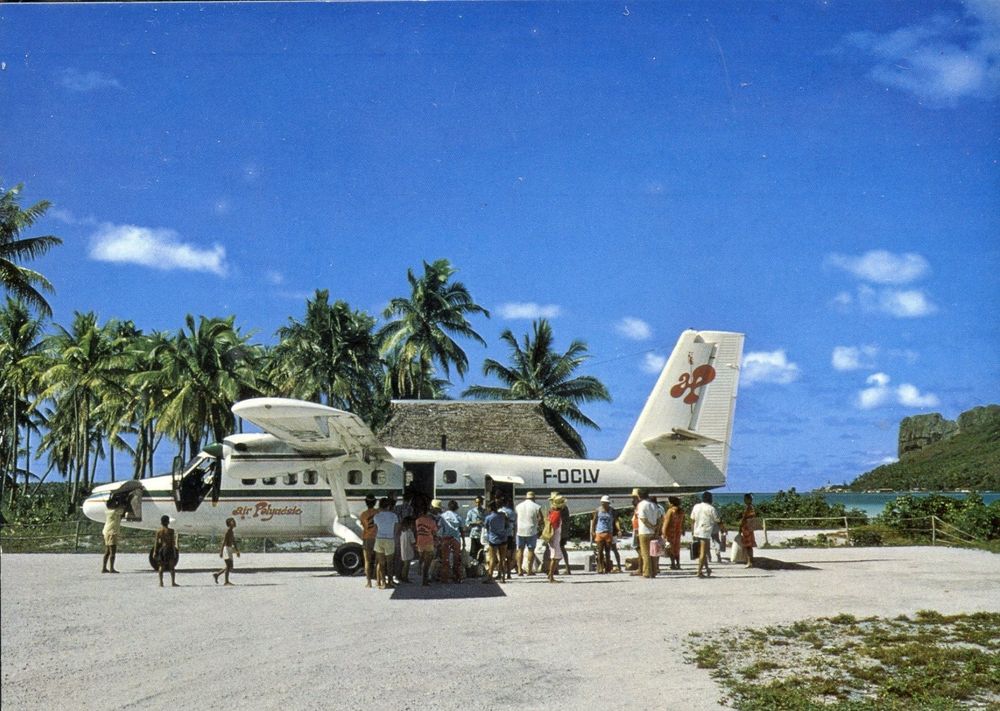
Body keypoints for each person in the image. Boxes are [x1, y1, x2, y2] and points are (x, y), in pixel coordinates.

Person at [690, 491, 720, 578]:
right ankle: (699, 571)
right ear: (710, 499)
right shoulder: (711, 508)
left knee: (702, 552)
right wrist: (723, 529)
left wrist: (693, 531)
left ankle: (707, 568)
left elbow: (692, 520)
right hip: (705, 532)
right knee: (703, 552)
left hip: (696, 531)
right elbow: (717, 520)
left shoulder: (696, 506)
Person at [373, 497, 399, 589]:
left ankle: (383, 582)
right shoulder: (394, 516)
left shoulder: (376, 516)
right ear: (388, 506)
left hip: (379, 539)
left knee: (381, 563)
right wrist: (394, 537)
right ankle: (390, 581)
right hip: (389, 539)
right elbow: (396, 529)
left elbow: (375, 530)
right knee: (390, 563)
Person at [515, 491, 543, 576]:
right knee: (531, 550)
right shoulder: (536, 506)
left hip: (520, 530)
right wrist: (536, 523)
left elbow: (516, 517)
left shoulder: (518, 506)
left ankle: (519, 570)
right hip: (531, 530)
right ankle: (529, 570)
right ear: (534, 498)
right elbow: (541, 518)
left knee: (520, 550)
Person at [634, 489, 661, 578]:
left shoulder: (641, 505)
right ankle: (653, 572)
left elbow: (642, 519)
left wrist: (651, 526)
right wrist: (656, 529)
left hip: (644, 531)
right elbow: (659, 519)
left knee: (645, 553)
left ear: (639, 496)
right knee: (653, 553)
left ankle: (646, 572)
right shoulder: (654, 505)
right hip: (653, 532)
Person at [438, 500, 464, 583]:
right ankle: (457, 577)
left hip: (445, 539)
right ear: (456, 508)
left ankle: (444, 578)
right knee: (457, 559)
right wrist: (463, 541)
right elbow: (462, 530)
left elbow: (439, 527)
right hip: (456, 539)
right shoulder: (458, 517)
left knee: (445, 559)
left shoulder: (443, 516)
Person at [483, 501, 509, 583]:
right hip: (503, 538)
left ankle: (490, 577)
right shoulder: (503, 515)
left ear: (490, 508)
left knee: (492, 558)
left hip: (493, 539)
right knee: (502, 558)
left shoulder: (488, 517)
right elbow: (507, 525)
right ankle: (503, 577)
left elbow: (486, 527)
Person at [591, 496, 616, 573]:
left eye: (605, 503)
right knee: (600, 551)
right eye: (602, 503)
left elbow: (615, 521)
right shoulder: (598, 510)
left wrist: (616, 531)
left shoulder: (612, 510)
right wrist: (592, 531)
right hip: (599, 532)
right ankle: (600, 567)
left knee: (608, 551)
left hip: (608, 532)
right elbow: (594, 521)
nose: (603, 504)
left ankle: (607, 567)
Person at [415, 504, 438, 586]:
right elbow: (435, 532)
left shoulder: (417, 521)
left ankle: (420, 565)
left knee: (422, 558)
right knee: (427, 563)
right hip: (428, 541)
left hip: (420, 541)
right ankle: (425, 581)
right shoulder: (431, 521)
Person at [213, 517, 240, 585]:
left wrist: (237, 551)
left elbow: (233, 541)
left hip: (230, 549)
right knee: (228, 565)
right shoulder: (227, 531)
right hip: (226, 549)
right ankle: (226, 581)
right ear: (229, 524)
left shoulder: (231, 531)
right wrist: (221, 551)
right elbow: (224, 542)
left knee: (230, 566)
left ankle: (217, 574)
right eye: (232, 521)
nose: (234, 522)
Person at [152, 514, 178, 587]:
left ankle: (161, 582)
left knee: (161, 566)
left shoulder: (159, 531)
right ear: (168, 522)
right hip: (169, 549)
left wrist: (154, 551)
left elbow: (156, 542)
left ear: (161, 522)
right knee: (171, 566)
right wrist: (174, 551)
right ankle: (173, 582)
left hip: (162, 549)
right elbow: (172, 542)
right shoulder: (171, 531)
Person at [359, 494, 378, 588]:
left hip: (367, 538)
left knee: (367, 561)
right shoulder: (378, 512)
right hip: (377, 537)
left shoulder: (363, 514)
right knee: (378, 560)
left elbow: (363, 525)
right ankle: (379, 580)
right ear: (375, 502)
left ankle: (369, 582)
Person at [550, 492, 572, 575]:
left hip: (559, 532)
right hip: (563, 531)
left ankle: (555, 569)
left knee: (556, 550)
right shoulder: (564, 508)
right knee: (561, 549)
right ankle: (566, 567)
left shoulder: (557, 509)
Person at [101, 498, 125, 574]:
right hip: (112, 533)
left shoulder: (108, 511)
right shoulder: (114, 512)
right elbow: (122, 509)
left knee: (107, 551)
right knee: (112, 552)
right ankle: (111, 568)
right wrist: (121, 502)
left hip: (107, 532)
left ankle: (104, 568)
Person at [546, 495, 566, 583]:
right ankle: (551, 576)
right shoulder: (557, 514)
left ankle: (550, 575)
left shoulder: (552, 512)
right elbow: (553, 526)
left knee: (556, 557)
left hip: (554, 537)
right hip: (554, 537)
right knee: (554, 557)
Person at [662, 496, 684, 570]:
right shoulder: (681, 511)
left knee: (670, 548)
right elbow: (682, 522)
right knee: (677, 548)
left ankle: (673, 564)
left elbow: (666, 523)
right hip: (678, 532)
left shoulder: (670, 511)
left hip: (670, 532)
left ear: (671, 503)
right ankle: (678, 563)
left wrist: (663, 533)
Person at [498, 495, 517, 577]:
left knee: (500, 556)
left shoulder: (499, 511)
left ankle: (500, 572)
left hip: (501, 535)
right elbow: (515, 525)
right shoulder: (513, 512)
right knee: (509, 556)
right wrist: (514, 536)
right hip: (509, 535)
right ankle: (508, 573)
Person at [465, 495, 487, 565]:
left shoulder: (485, 512)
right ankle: (474, 564)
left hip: (482, 534)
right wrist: (475, 523)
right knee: (473, 551)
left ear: (482, 503)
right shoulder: (471, 512)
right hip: (474, 534)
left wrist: (483, 523)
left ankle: (480, 564)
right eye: (477, 502)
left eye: (479, 502)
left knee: (482, 550)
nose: (478, 504)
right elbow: (467, 523)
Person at [739, 493, 758, 569]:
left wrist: (740, 525)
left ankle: (749, 562)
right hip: (749, 528)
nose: (744, 500)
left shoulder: (748, 507)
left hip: (746, 528)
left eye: (745, 499)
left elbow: (744, 518)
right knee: (749, 545)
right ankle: (750, 561)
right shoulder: (751, 507)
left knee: (748, 545)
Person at [399, 516, 416, 583]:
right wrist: (415, 548)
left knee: (403, 565)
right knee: (407, 565)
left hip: (402, 549)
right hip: (408, 550)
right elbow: (412, 542)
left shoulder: (401, 531)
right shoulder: (410, 532)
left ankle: (402, 576)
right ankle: (405, 578)